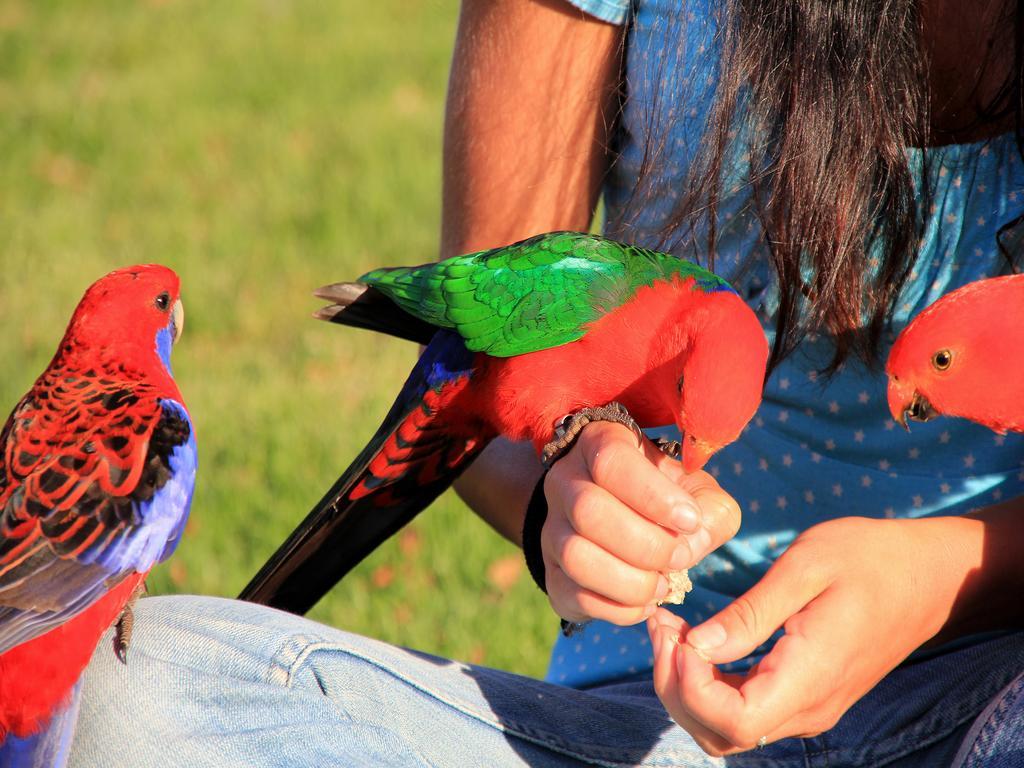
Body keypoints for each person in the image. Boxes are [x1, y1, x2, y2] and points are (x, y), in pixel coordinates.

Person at [70, 0, 1024, 765]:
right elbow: (489, 405)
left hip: (997, 689)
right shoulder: (600, 296)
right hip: (649, 724)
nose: (693, 459)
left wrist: (947, 578)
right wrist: (571, 499)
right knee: (129, 693)